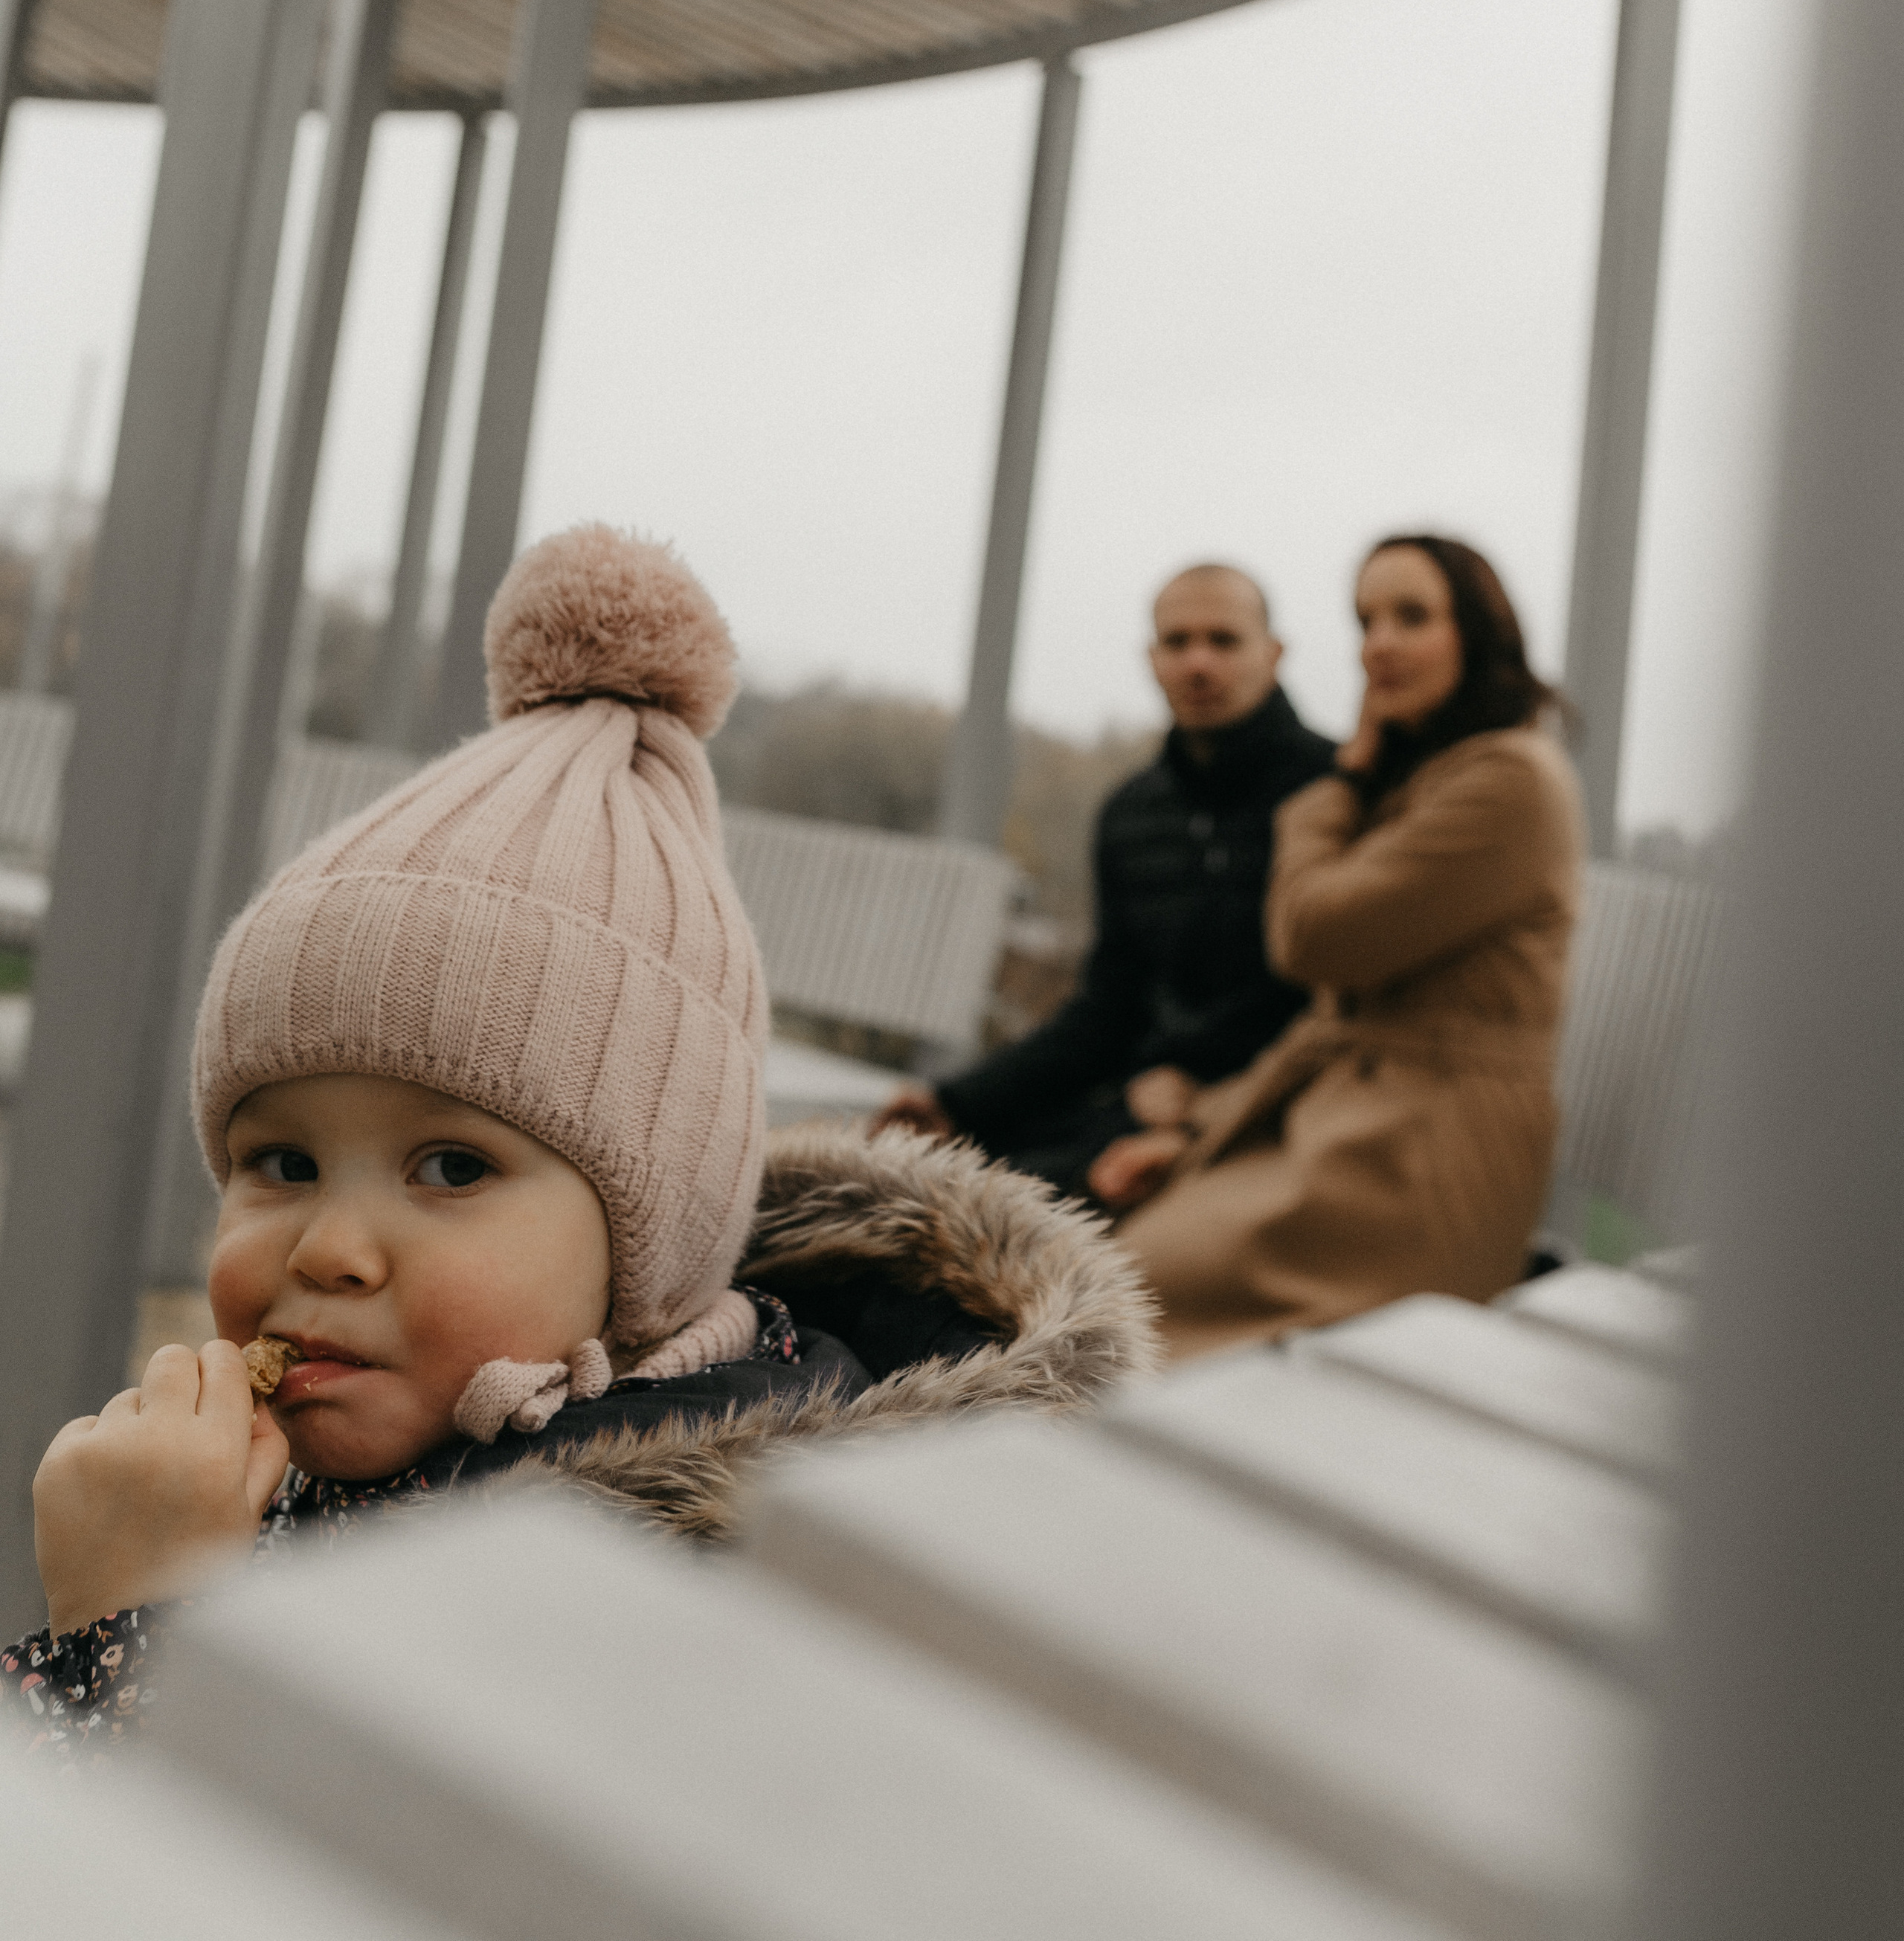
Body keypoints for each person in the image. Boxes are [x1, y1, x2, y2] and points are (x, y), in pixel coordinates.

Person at [4, 525, 1155, 1750]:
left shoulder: (658, 1597)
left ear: (652, 1252)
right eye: (281, 1161)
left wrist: (136, 1624)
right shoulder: (410, 1445)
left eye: (451, 1166)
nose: (331, 1248)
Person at [1099, 535, 1583, 1359]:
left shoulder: (1509, 782)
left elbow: (1314, 939)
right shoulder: (1438, 776)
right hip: (1356, 1122)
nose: (1379, 644)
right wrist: (1198, 1128)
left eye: (1411, 616)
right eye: (1366, 619)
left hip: (1427, 1153)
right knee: (1116, 1266)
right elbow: (1329, 1013)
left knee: (1128, 1290)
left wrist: (1340, 783)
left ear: (1478, 633)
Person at [875, 563, 1336, 1195]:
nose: (1198, 662)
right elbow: (1107, 1007)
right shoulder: (1132, 813)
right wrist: (958, 1102)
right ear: (1152, 658)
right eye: (1177, 642)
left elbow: (1331, 998)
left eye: (1224, 640)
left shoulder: (1332, 791)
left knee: (996, 1217)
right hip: (1135, 1099)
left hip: (1267, 1115)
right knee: (905, 1187)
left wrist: (1196, 1081)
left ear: (1274, 652)